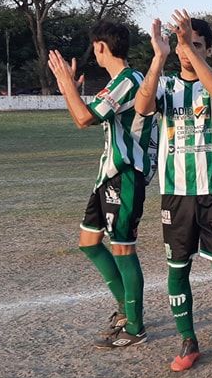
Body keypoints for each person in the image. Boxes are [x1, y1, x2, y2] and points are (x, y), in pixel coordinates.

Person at [135, 12, 212, 372]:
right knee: (177, 268)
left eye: (195, 44)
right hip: (176, 192)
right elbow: (142, 107)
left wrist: (185, 45)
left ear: (208, 50)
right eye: (182, 44)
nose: (185, 51)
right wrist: (158, 57)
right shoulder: (166, 85)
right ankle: (188, 339)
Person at [47, 21, 155, 348]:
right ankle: (125, 309)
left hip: (125, 175)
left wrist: (66, 83)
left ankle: (135, 327)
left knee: (123, 247)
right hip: (108, 174)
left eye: (94, 47)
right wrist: (70, 88)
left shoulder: (127, 81)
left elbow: (82, 119)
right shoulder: (121, 83)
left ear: (101, 47)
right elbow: (86, 114)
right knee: (89, 242)